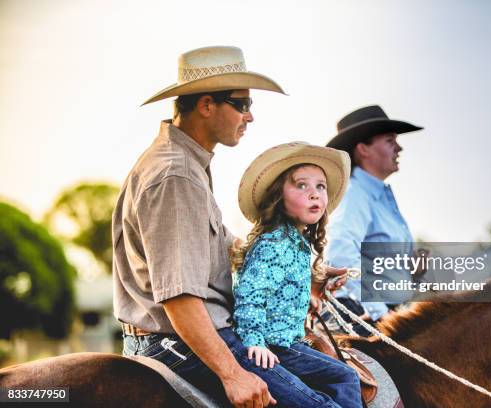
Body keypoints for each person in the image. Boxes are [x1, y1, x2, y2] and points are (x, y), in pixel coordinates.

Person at [112, 46, 347, 408]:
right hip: (178, 341)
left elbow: (228, 248)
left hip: (179, 335)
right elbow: (179, 295)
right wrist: (232, 374)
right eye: (242, 104)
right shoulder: (177, 175)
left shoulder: (188, 165)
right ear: (206, 105)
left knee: (338, 374)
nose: (250, 116)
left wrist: (300, 268)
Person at [231, 142, 361, 408]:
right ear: (278, 197)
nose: (314, 194)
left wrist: (309, 295)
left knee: (346, 375)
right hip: (274, 345)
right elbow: (250, 295)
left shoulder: (298, 244)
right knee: (340, 383)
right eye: (301, 185)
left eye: (320, 186)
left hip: (289, 341)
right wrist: (254, 341)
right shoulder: (275, 243)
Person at [325, 105, 424, 330]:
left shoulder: (374, 196)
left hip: (385, 311)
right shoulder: (355, 194)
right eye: (390, 141)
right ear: (363, 149)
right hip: (364, 315)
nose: (399, 148)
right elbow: (340, 254)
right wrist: (382, 316)